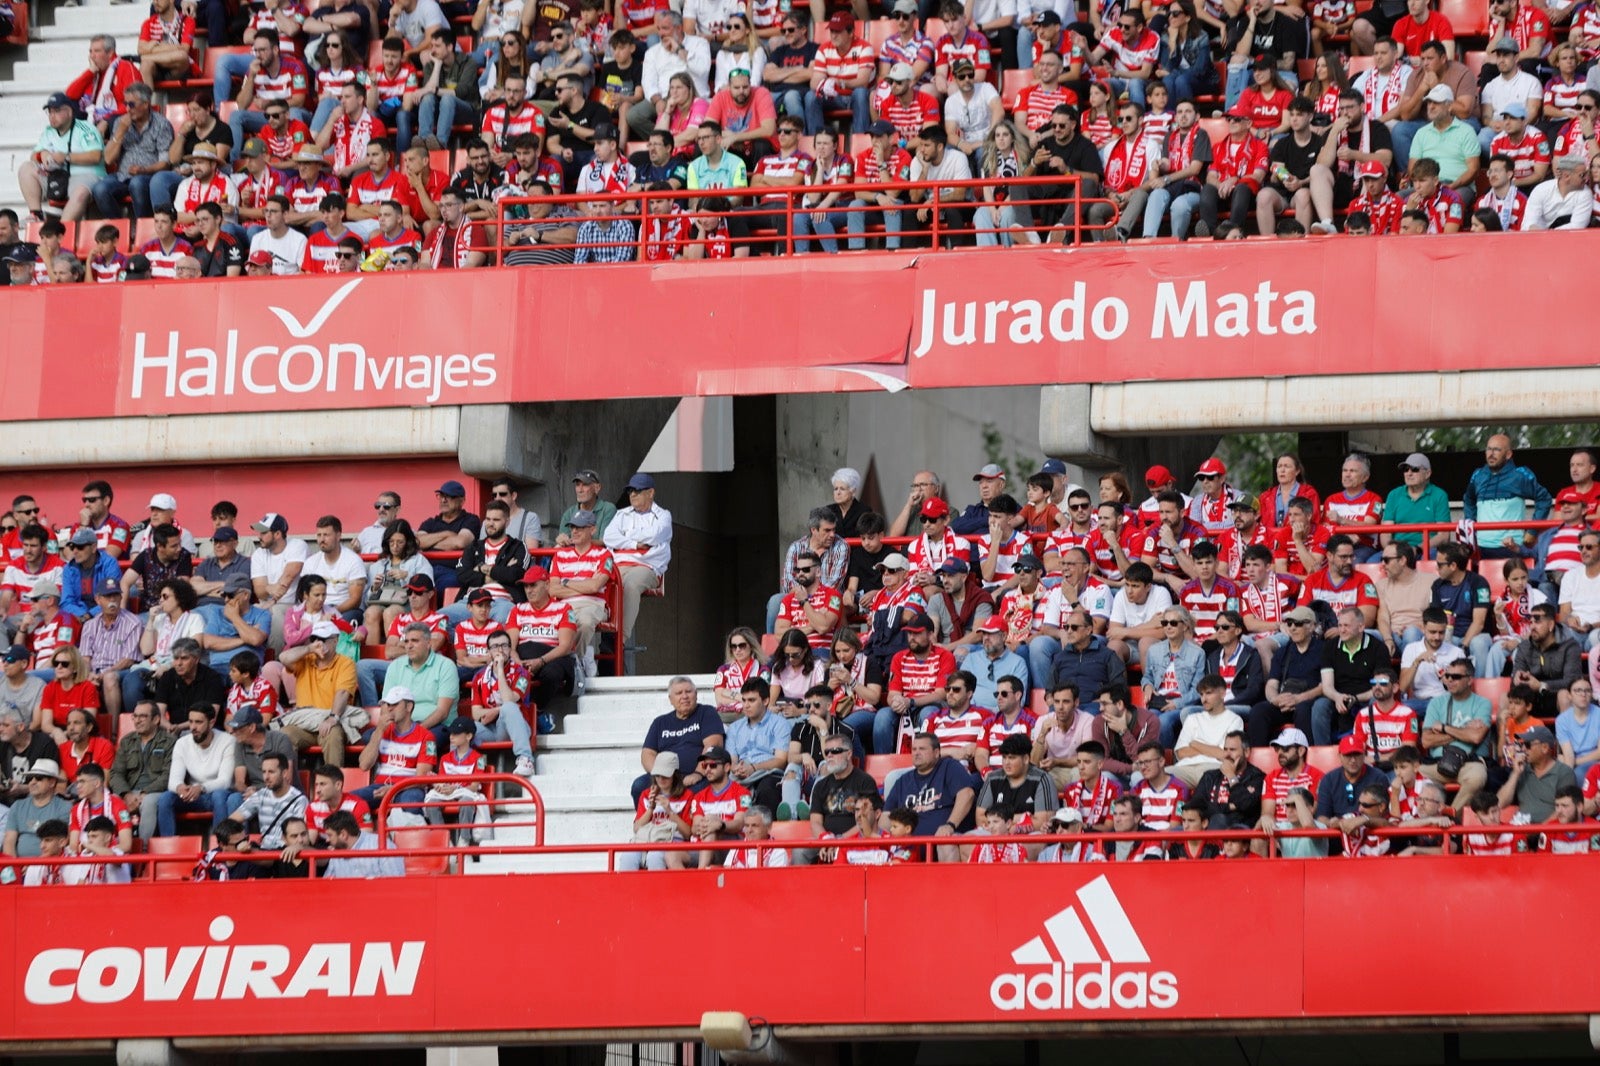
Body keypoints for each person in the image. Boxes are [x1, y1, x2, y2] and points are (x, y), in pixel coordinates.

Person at [883, 732, 977, 862]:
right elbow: (885, 815)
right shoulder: (903, 781)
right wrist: (888, 839)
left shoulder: (949, 767)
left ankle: (949, 882)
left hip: (943, 843)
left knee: (946, 842)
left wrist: (950, 825)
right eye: (914, 749)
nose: (916, 753)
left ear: (937, 752)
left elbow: (967, 794)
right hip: (907, 851)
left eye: (922, 749)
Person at [631, 676, 724, 804]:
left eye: (688, 692)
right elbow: (647, 754)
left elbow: (713, 745)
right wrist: (661, 776)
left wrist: (698, 773)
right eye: (679, 693)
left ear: (696, 694)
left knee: (698, 790)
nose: (684, 696)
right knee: (639, 786)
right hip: (666, 776)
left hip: (698, 775)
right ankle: (647, 823)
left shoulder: (707, 713)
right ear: (671, 699)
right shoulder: (660, 722)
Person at [20, 93, 108, 225]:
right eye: (49, 112)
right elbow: (33, 156)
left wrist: (66, 157)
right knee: (26, 168)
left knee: (80, 192)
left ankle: (61, 232)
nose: (52, 116)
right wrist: (42, 154)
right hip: (57, 176)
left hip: (85, 175)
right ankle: (36, 214)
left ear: (69, 112)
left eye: (56, 111)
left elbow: (95, 156)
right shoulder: (49, 131)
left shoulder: (85, 128)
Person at [156, 704, 238, 836]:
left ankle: (218, 846)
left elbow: (225, 781)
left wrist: (201, 788)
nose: (193, 727)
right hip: (193, 795)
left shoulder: (228, 741)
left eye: (198, 722)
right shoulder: (182, 743)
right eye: (191, 721)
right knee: (166, 798)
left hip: (216, 794)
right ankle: (168, 849)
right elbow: (173, 781)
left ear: (211, 723)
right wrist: (180, 788)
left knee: (219, 795)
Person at [1420, 662, 1492, 811]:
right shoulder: (1436, 703)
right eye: (1447, 676)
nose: (1450, 680)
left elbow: (1476, 737)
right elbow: (1426, 741)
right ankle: (1424, 825)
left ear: (1470, 680)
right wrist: (1464, 731)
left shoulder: (1483, 703)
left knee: (1477, 778)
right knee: (1409, 775)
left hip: (1469, 763)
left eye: (1456, 677)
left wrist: (1444, 728)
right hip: (1438, 763)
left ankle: (1449, 816)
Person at [1497, 724, 1577, 822]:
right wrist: (1515, 774)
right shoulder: (1522, 769)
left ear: (1544, 748)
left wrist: (1539, 833)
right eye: (1522, 744)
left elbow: (1563, 811)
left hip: (1549, 832)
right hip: (1521, 828)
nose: (1523, 749)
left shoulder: (1564, 773)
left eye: (1528, 745)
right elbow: (1500, 803)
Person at [1188, 730, 1265, 828]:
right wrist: (1230, 806)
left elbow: (1247, 805)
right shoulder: (1210, 776)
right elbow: (1196, 807)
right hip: (1208, 827)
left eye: (1232, 750)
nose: (1227, 754)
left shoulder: (1257, 777)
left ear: (1246, 752)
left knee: (1219, 820)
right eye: (1225, 749)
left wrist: (1231, 776)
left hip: (1240, 831)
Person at [322, 809, 405, 878]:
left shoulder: (382, 845)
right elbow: (327, 885)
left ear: (343, 834)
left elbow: (395, 882)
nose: (327, 840)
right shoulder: (336, 853)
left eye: (330, 835)